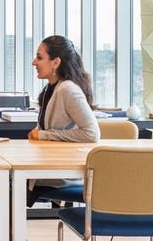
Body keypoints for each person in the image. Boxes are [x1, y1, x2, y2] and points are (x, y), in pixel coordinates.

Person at [27, 35, 100, 204]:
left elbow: (92, 134)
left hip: (61, 175)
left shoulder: (68, 90)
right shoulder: (50, 88)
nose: (34, 62)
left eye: (39, 57)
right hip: (49, 167)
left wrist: (44, 135)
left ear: (56, 62)